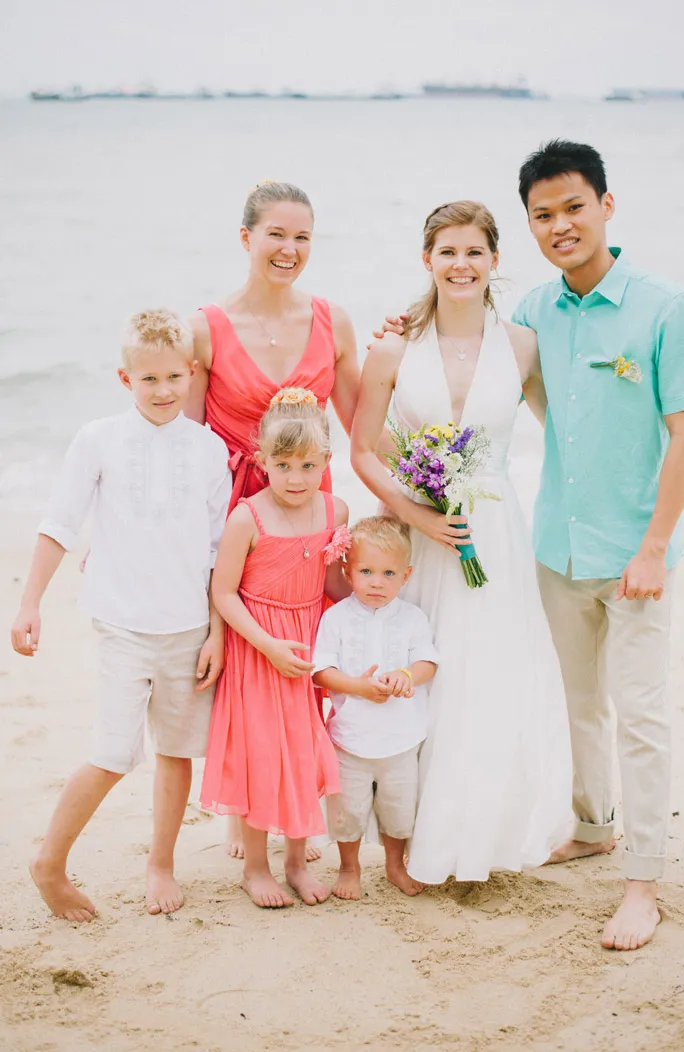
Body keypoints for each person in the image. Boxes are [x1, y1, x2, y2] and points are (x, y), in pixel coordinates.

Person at [511, 139, 684, 951]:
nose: (560, 226)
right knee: (578, 705)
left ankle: (644, 882)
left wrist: (655, 545)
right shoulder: (531, 311)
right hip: (557, 544)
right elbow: (487, 368)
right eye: (542, 215)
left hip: (636, 555)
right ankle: (594, 827)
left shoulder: (666, 307)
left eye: (573, 207)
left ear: (606, 206)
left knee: (642, 716)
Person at [351, 202, 573, 890]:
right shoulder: (392, 348)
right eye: (447, 252)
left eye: (475, 252)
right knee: (418, 673)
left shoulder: (525, 346)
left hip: (494, 533)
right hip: (420, 534)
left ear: (495, 260)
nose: (461, 264)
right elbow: (361, 451)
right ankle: (406, 835)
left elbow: (567, 425)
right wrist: (416, 517)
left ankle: (484, 828)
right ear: (427, 259)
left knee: (489, 677)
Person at [10, 309, 231, 922]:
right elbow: (60, 524)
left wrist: (216, 633)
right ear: (124, 378)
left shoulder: (210, 449)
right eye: (148, 380)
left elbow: (218, 553)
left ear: (192, 372)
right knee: (112, 752)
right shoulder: (98, 439)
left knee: (177, 752)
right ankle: (49, 862)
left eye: (173, 378)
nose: (163, 392)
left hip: (187, 628)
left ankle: (161, 861)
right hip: (122, 624)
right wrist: (29, 603)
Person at [186, 180, 362, 861]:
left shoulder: (332, 319)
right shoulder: (206, 325)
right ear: (246, 239)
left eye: (302, 237)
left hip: (308, 509)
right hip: (238, 513)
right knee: (244, 672)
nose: (289, 249)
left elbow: (358, 426)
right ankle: (247, 811)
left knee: (306, 657)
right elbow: (194, 446)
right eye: (276, 235)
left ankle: (293, 803)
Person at [200, 388, 351, 909]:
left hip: (307, 644)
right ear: (262, 461)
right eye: (283, 464)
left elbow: (333, 586)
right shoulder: (247, 517)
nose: (296, 478)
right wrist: (267, 647)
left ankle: (295, 862)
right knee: (263, 753)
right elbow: (223, 592)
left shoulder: (336, 509)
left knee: (305, 752)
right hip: (259, 648)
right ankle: (257, 868)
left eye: (308, 465)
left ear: (327, 462)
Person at [313, 516, 439, 900]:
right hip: (350, 738)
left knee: (398, 810)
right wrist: (357, 687)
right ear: (348, 571)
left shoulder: (412, 618)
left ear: (406, 575)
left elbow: (428, 662)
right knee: (347, 812)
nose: (376, 582)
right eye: (366, 571)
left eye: (388, 573)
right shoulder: (336, 618)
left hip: (401, 739)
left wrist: (406, 675)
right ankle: (349, 867)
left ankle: (394, 865)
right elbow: (320, 671)